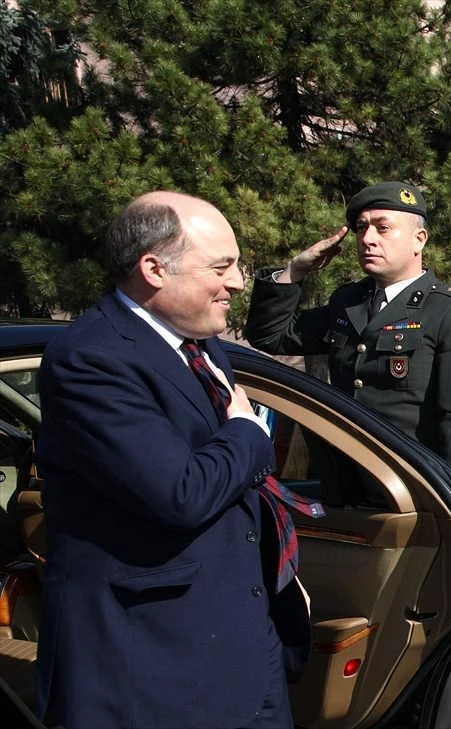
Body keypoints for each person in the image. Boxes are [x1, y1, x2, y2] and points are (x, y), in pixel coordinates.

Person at [36, 191, 313, 728]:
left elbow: (234, 491)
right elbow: (180, 493)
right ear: (153, 269)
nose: (235, 282)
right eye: (221, 266)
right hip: (154, 671)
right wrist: (247, 433)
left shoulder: (200, 344)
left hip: (244, 655)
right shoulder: (91, 358)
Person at [243, 180, 451, 729]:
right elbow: (270, 335)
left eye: (383, 228)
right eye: (361, 228)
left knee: (435, 623)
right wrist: (295, 271)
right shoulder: (346, 304)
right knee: (369, 623)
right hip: (349, 497)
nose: (367, 238)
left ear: (419, 238)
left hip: (418, 498)